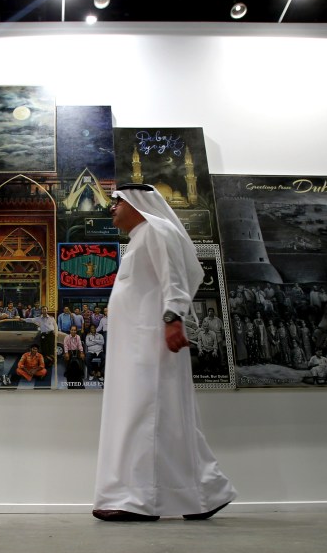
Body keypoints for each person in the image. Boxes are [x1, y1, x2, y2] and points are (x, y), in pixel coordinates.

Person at [93, 184, 236, 522]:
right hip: (136, 343)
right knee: (168, 415)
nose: (111, 209)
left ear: (138, 203)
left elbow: (174, 279)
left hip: (150, 340)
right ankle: (205, 491)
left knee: (146, 413)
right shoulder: (142, 235)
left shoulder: (156, 228)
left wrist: (173, 318)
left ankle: (138, 500)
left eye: (117, 202)